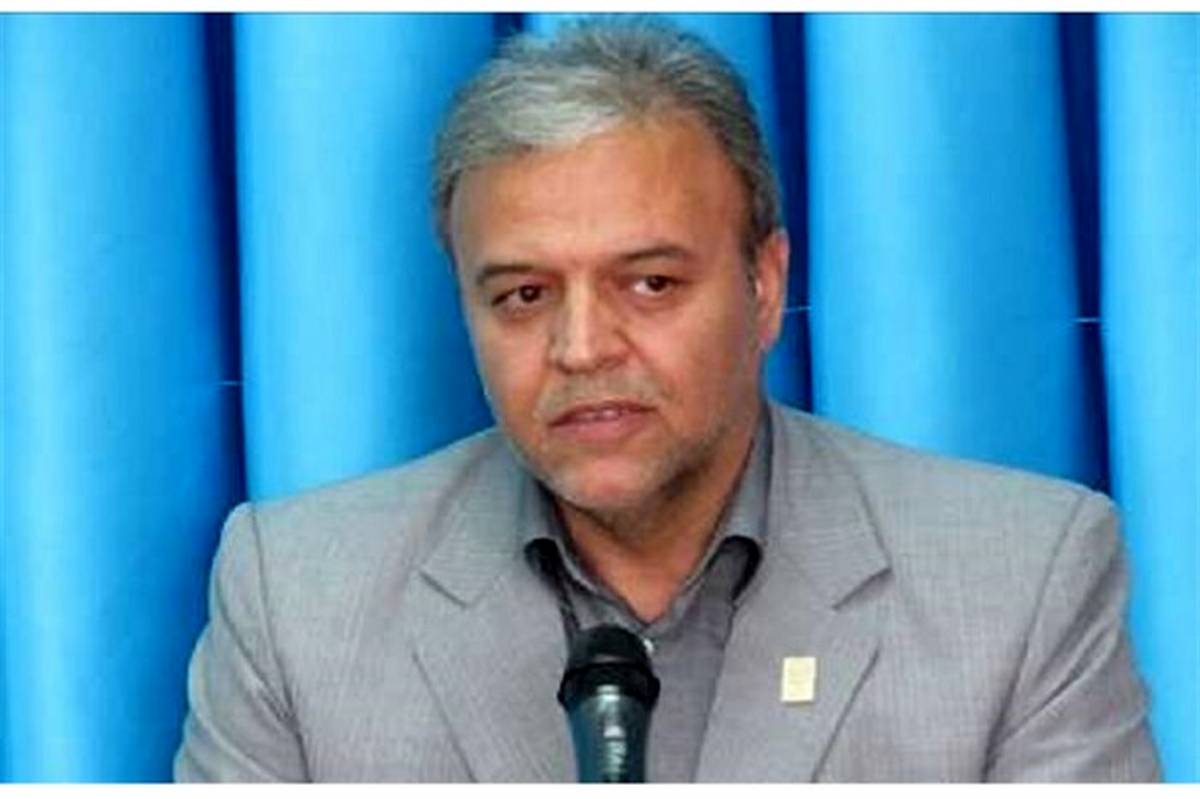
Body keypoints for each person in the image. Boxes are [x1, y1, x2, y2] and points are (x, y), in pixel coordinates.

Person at [174, 18, 1160, 782]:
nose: (581, 348)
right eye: (523, 296)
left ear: (764, 288)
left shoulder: (1018, 580)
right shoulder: (298, 599)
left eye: (649, 283)